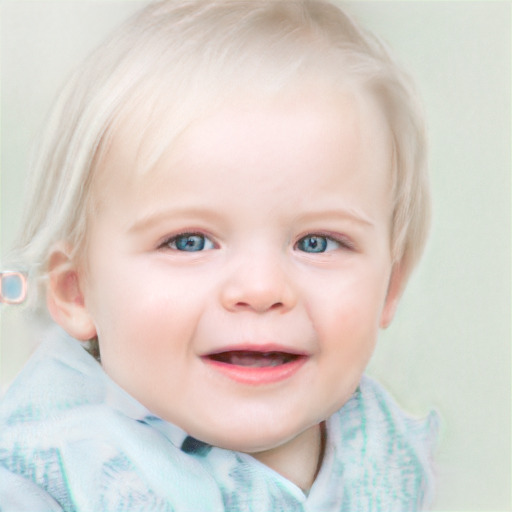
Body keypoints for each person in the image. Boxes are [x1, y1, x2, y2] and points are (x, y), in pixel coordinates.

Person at [0, 0, 438, 510]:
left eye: (316, 243)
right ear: (77, 291)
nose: (261, 289)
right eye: (189, 241)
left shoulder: (388, 455)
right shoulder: (47, 479)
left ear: (390, 286)